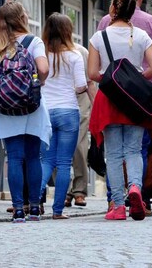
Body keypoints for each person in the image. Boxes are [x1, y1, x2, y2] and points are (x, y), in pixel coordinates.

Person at [88, 0, 152, 221]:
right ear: (132, 11)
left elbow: (92, 72)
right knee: (133, 149)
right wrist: (136, 79)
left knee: (113, 153)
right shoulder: (141, 35)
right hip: (135, 99)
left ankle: (118, 205)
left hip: (109, 99)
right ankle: (135, 188)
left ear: (112, 9)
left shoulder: (99, 37)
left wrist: (111, 80)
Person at [0, 1, 50, 223]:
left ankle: (18, 209)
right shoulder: (33, 41)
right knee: (33, 157)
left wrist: (0, 87)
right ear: (22, 18)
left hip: (7, 110)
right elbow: (44, 69)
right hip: (32, 106)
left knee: (15, 158)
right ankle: (35, 208)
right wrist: (35, 85)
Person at [40, 13, 89, 220]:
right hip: (68, 111)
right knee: (63, 163)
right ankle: (57, 210)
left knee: (46, 161)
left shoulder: (41, 54)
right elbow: (80, 86)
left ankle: (33, 202)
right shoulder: (74, 55)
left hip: (45, 112)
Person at [65, 41, 96, 209]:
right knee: (57, 149)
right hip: (58, 102)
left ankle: (79, 190)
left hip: (80, 101)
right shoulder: (48, 50)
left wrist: (96, 105)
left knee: (78, 146)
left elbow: (90, 81)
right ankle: (64, 190)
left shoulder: (81, 52)